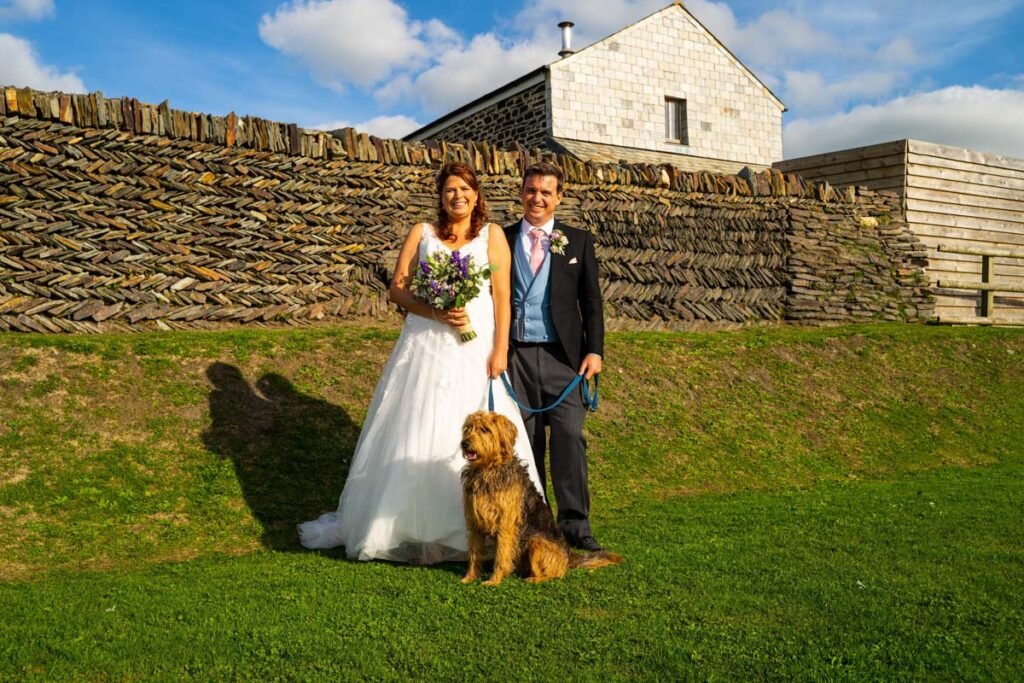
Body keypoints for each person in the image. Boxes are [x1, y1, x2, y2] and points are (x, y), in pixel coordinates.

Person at [298, 162, 544, 564]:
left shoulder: (492, 236)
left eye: (464, 189)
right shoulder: (422, 234)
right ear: (440, 196)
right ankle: (409, 527)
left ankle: (488, 529)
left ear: (476, 194)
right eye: (449, 190)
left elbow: (502, 296)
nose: (457, 196)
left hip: (475, 346)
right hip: (427, 344)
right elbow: (398, 290)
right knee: (419, 424)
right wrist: (435, 311)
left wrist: (501, 349)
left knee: (477, 430)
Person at [504, 162, 606, 552]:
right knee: (527, 445)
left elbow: (591, 302)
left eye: (546, 192)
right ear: (521, 193)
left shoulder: (578, 241)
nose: (537, 198)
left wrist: (594, 351)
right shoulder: (502, 237)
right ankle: (535, 524)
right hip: (516, 357)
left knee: (568, 437)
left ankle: (576, 525)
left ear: (559, 197)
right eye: (531, 190)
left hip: (566, 359)